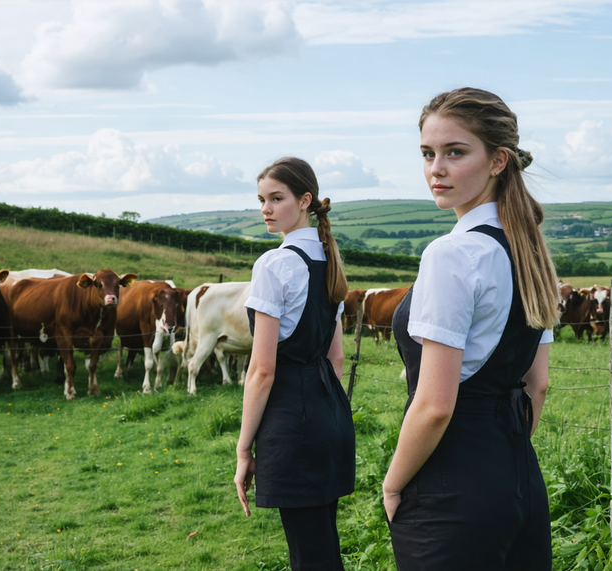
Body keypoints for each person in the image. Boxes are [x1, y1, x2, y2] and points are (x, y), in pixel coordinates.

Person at [383, 88, 561, 570]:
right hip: (519, 476)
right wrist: (504, 463)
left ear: (498, 160)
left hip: (450, 482)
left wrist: (394, 484)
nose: (436, 169)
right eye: (428, 153)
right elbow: (538, 385)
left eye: (455, 152)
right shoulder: (531, 251)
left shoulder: (453, 253)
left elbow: (435, 406)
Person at [235, 157, 356, 571]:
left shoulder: (274, 264)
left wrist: (244, 447)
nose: (265, 209)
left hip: (292, 423)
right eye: (261, 200)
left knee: (310, 556)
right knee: (323, 546)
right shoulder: (329, 261)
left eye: (276, 198)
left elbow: (262, 370)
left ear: (305, 201)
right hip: (331, 419)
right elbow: (335, 358)